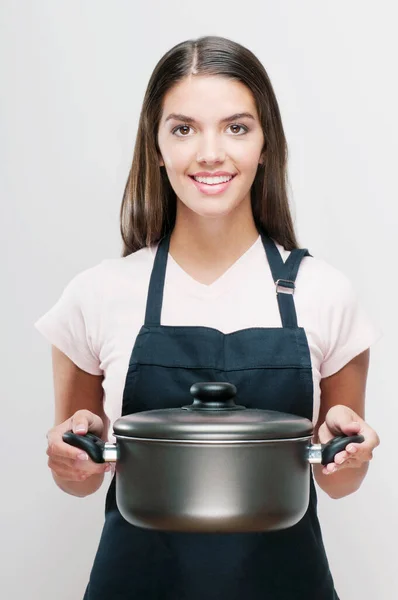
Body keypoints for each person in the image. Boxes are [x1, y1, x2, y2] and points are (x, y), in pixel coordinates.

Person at [35, 35, 381, 600]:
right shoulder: (98, 294)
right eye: (184, 128)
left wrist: (349, 445)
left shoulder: (324, 292)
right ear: (157, 145)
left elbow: (339, 481)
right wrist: (71, 456)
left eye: (237, 127)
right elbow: (76, 477)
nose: (210, 153)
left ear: (266, 143)